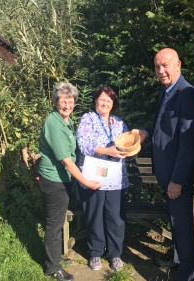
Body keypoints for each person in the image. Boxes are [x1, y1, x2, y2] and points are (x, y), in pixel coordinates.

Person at [132, 48, 194, 281]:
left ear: (178, 65)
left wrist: (177, 180)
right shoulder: (167, 90)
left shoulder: (188, 94)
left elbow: (187, 144)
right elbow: (165, 129)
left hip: (177, 178)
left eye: (165, 65)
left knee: (182, 227)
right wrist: (145, 132)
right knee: (175, 222)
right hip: (167, 174)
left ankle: (186, 275)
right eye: (157, 67)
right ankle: (176, 260)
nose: (161, 71)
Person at [38, 82, 101, 281]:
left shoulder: (67, 121)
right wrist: (86, 181)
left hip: (63, 180)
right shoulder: (53, 123)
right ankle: (52, 268)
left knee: (58, 222)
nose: (67, 105)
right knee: (55, 224)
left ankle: (54, 258)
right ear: (56, 101)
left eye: (70, 101)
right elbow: (66, 160)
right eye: (63, 101)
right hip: (53, 180)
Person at [76, 86, 130, 272]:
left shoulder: (120, 123)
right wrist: (107, 150)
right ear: (95, 101)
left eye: (109, 100)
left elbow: (128, 146)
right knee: (94, 216)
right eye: (102, 99)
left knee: (116, 218)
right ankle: (95, 253)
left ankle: (115, 254)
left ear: (113, 103)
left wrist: (127, 151)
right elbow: (83, 144)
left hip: (115, 179)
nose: (105, 102)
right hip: (93, 177)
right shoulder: (87, 119)